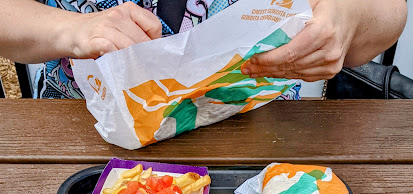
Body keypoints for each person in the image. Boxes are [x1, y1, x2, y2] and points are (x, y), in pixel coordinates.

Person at [0, 0, 407, 98]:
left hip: (261, 143)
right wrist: (70, 27)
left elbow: (390, 12)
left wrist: (348, 16)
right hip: (81, 141)